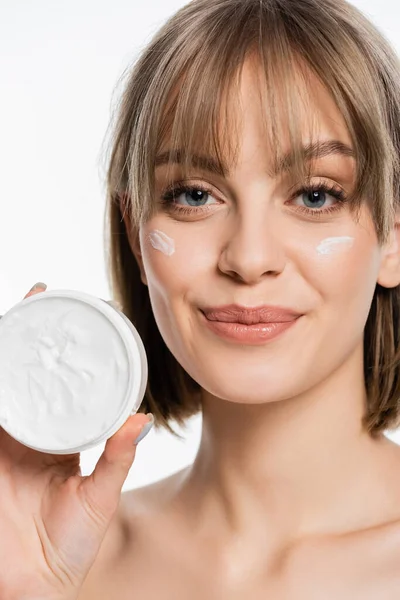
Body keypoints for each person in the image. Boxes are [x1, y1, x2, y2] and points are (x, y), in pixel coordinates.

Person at [2, 0, 400, 597]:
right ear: (136, 234)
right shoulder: (59, 562)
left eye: (316, 196)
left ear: (394, 234)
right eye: (194, 195)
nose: (248, 257)